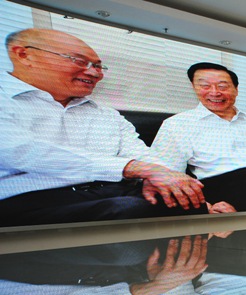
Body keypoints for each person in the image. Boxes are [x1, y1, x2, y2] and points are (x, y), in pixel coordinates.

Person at [0, 29, 207, 226]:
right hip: (30, 199)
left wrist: (163, 177)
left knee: (186, 200)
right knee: (127, 210)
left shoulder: (105, 114)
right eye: (79, 61)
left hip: (109, 192)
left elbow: (140, 153)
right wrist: (135, 168)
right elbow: (21, 152)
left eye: (98, 66)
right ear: (24, 55)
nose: (94, 73)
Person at [151, 62, 246, 212]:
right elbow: (166, 174)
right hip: (222, 185)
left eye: (222, 86)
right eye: (205, 86)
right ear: (194, 88)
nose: (215, 93)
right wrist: (206, 206)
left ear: (236, 90)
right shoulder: (177, 124)